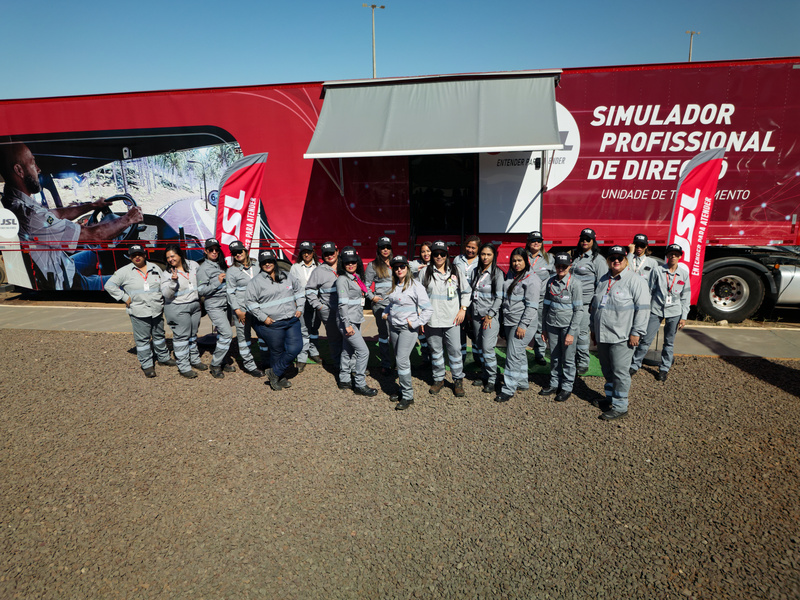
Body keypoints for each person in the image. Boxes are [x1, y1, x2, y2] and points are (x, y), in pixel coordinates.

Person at [0, 142, 143, 290]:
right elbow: (95, 235)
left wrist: (92, 206)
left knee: (95, 254)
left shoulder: (14, 204)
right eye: (33, 163)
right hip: (66, 284)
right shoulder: (30, 215)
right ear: (19, 170)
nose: (38, 169)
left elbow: (57, 214)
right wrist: (129, 219)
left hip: (60, 265)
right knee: (133, 283)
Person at [589, 245, 650, 421]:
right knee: (607, 369)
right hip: (603, 334)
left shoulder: (635, 281)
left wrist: (637, 332)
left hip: (622, 336)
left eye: (620, 258)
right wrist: (593, 329)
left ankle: (620, 406)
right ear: (608, 260)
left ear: (626, 260)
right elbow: (595, 306)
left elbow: (643, 309)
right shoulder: (603, 279)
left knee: (620, 372)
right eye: (612, 258)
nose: (616, 261)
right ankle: (610, 397)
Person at [104, 244, 176, 377]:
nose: (137, 257)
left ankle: (163, 358)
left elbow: (163, 285)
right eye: (133, 255)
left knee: (159, 335)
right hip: (139, 311)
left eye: (139, 254)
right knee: (143, 340)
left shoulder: (155, 268)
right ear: (130, 257)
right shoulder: (124, 271)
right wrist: (124, 297)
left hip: (156, 309)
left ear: (144, 255)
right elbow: (109, 285)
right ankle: (147, 365)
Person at [630, 243, 691, 381]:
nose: (673, 256)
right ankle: (635, 364)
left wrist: (684, 316)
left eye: (676, 254)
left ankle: (664, 368)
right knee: (646, 340)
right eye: (671, 254)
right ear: (667, 255)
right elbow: (649, 291)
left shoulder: (684, 274)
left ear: (680, 257)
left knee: (669, 342)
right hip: (656, 309)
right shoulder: (657, 271)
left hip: (674, 312)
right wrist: (645, 310)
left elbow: (686, 297)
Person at [246, 249, 303, 391]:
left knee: (296, 347)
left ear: (275, 261)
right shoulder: (256, 282)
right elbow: (250, 302)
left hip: (291, 320)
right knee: (277, 351)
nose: (267, 264)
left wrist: (300, 307)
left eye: (270, 261)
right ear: (260, 264)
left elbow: (300, 291)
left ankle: (274, 372)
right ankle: (280, 377)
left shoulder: (287, 276)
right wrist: (263, 317)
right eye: (264, 262)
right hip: (273, 323)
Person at [383, 255, 433, 410]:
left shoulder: (416, 286)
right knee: (400, 360)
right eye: (396, 267)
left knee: (402, 360)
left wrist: (416, 323)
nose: (399, 269)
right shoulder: (394, 285)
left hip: (408, 329)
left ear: (407, 268)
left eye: (402, 266)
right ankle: (402, 389)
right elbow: (391, 303)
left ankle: (408, 395)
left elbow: (428, 309)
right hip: (394, 327)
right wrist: (386, 313)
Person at [423, 240, 471, 398]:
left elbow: (466, 291)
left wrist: (463, 309)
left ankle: (458, 380)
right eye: (435, 254)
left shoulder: (456, 270)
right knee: (436, 351)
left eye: (442, 254)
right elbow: (419, 296)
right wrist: (421, 317)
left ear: (447, 255)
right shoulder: (425, 272)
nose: (439, 257)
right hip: (432, 319)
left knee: (455, 351)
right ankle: (439, 379)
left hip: (452, 319)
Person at [496, 248, 541, 403]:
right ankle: (522, 382)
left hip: (522, 323)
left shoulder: (532, 280)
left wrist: (523, 325)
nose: (516, 263)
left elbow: (532, 307)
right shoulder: (511, 274)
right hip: (510, 321)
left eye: (519, 260)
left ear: (525, 261)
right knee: (519, 353)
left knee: (513, 355)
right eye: (514, 261)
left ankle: (508, 389)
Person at [336, 247, 381, 396]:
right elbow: (342, 305)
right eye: (347, 262)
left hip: (354, 318)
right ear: (342, 264)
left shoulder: (355, 277)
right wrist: (347, 325)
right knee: (363, 351)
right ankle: (360, 384)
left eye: (353, 262)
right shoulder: (343, 280)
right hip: (348, 321)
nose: (350, 265)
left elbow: (363, 290)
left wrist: (372, 297)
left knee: (347, 350)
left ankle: (344, 379)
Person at [540, 253, 583, 402]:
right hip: (552, 325)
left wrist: (571, 333)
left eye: (564, 266)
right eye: (558, 266)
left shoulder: (575, 284)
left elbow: (579, 310)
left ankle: (567, 387)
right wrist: (544, 328)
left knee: (568, 359)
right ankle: (554, 383)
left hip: (567, 327)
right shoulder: (550, 282)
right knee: (555, 357)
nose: (561, 269)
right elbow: (545, 307)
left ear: (569, 267)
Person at [161, 244, 205, 378]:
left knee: (193, 335)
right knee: (181, 337)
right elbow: (166, 294)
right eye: (168, 258)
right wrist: (173, 282)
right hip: (177, 307)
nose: (170, 259)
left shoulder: (193, 265)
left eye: (172, 256)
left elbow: (201, 280)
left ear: (180, 255)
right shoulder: (167, 274)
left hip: (194, 305)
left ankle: (194, 360)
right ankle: (184, 366)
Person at [570, 228, 608, 375]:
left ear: (593, 241)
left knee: (582, 334)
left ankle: (583, 362)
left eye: (588, 239)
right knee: (572, 332)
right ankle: (572, 359)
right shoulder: (576, 257)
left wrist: (595, 304)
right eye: (582, 239)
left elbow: (602, 285)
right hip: (571, 303)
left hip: (585, 304)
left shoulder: (598, 260)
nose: (585, 241)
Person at [197, 238, 236, 379]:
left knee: (221, 334)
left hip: (226, 303)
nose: (214, 252)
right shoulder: (203, 269)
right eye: (211, 250)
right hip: (214, 305)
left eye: (216, 249)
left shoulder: (220, 265)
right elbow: (201, 290)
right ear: (205, 251)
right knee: (227, 334)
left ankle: (223, 361)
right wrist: (217, 281)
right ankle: (215, 364)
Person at [225, 240, 264, 377]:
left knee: (264, 335)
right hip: (242, 310)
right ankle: (250, 365)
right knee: (244, 338)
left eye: (239, 251)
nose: (237, 254)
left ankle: (266, 361)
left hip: (259, 308)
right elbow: (230, 293)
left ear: (245, 251)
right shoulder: (232, 271)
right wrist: (237, 311)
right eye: (234, 253)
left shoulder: (257, 265)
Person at [469, 243, 504, 394]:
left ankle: (492, 379)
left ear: (493, 256)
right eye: (483, 254)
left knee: (488, 348)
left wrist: (490, 315)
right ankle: (485, 374)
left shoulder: (497, 273)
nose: (485, 257)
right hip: (476, 315)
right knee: (479, 346)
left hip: (489, 317)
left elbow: (499, 298)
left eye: (489, 254)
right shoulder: (476, 271)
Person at [305, 241, 342, 370]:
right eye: (326, 254)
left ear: (337, 252)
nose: (329, 256)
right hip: (329, 312)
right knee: (334, 339)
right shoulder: (318, 271)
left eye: (332, 253)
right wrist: (319, 306)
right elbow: (309, 290)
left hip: (346, 310)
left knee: (350, 339)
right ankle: (339, 365)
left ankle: (352, 366)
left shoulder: (345, 266)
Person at [290, 241, 322, 372]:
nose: (306, 254)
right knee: (303, 330)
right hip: (301, 302)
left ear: (313, 252)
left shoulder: (319, 266)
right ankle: (302, 357)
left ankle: (313, 352)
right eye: (304, 252)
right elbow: (291, 285)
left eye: (308, 252)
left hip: (316, 301)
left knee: (314, 328)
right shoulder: (295, 267)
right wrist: (294, 302)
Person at [365, 236, 394, 375]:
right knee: (384, 335)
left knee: (397, 334)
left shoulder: (396, 263)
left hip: (396, 305)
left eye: (388, 247)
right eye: (383, 247)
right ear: (378, 249)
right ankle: (386, 364)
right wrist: (372, 297)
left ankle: (399, 363)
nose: (385, 250)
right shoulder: (373, 265)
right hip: (381, 305)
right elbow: (365, 286)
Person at [525, 230, 554, 366]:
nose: (536, 243)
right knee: (523, 325)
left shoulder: (549, 258)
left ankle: (540, 354)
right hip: (525, 299)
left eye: (539, 241)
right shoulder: (522, 256)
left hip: (541, 298)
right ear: (528, 242)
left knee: (540, 327)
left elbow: (555, 277)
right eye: (533, 240)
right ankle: (519, 352)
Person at [453, 235, 481, 365]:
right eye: (468, 247)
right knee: (461, 329)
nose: (470, 250)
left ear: (478, 249)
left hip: (475, 301)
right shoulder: (458, 259)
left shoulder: (481, 260)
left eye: (473, 248)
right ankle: (461, 357)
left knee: (475, 330)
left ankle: (477, 358)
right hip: (460, 301)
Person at [410, 241, 433, 366]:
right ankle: (425, 358)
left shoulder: (436, 265)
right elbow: (403, 265)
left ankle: (434, 359)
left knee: (431, 333)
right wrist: (415, 269)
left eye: (428, 251)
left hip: (432, 304)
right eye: (423, 251)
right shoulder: (416, 264)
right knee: (421, 333)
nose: (426, 254)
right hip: (418, 304)